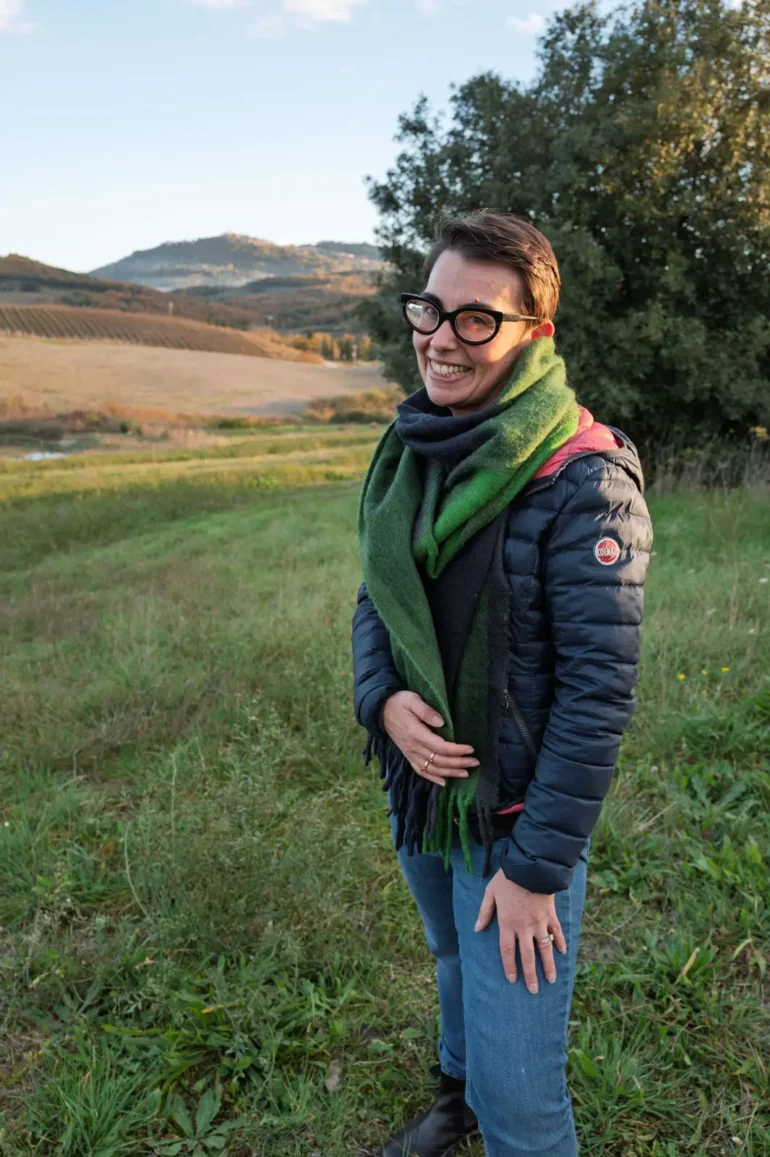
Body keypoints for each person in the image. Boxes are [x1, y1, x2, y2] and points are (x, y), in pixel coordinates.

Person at [351, 208, 652, 1157]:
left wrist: (534, 874)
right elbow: (379, 597)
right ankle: (457, 1095)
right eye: (430, 311)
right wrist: (384, 700)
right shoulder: (413, 450)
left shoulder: (584, 481)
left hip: (515, 822)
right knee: (450, 960)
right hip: (425, 788)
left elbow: (597, 697)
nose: (443, 339)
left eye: (477, 319)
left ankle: (497, 1108)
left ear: (535, 334)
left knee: (528, 1103)